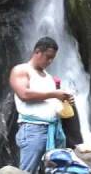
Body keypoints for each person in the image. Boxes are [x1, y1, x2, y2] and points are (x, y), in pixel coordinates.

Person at [9, 36, 73, 173]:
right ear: (37, 52)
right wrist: (54, 94)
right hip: (33, 129)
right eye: (48, 57)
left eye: (52, 58)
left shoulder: (49, 77)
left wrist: (64, 101)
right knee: (28, 171)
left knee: (53, 170)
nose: (50, 61)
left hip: (53, 129)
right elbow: (24, 94)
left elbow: (49, 101)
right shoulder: (21, 70)